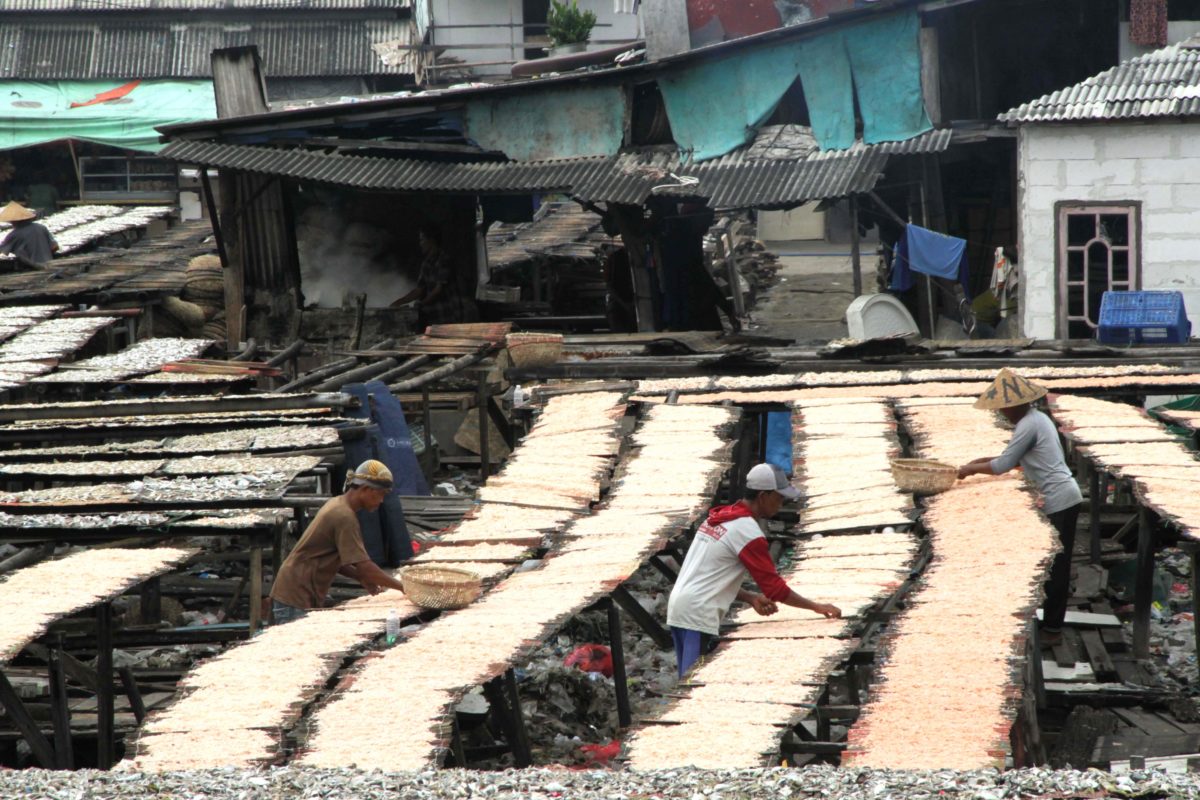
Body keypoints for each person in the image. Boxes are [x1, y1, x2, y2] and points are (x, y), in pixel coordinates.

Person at [666, 463, 842, 677]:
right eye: (779, 498)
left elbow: (707, 576)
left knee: (689, 675)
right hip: (698, 615)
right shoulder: (747, 531)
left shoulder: (719, 518)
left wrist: (749, 597)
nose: (781, 504)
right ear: (763, 496)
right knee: (692, 681)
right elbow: (775, 590)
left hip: (680, 607)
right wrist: (816, 607)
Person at [956, 368, 1083, 645]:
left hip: (1060, 499)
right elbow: (1014, 458)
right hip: (1063, 496)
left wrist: (969, 470)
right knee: (1052, 564)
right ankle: (1048, 622)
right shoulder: (1036, 419)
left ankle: (1052, 630)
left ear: (1015, 404)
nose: (1001, 412)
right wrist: (980, 461)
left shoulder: (1028, 424)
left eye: (1004, 407)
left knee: (1056, 566)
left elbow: (1003, 465)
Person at [269, 459, 408, 624]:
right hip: (296, 595)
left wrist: (360, 577)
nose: (382, 501)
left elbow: (333, 559)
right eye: (381, 494)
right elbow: (365, 566)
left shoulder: (337, 504)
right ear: (365, 489)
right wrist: (404, 587)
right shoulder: (344, 516)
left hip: (296, 591)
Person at [392, 226, 476, 327]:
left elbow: (438, 289)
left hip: (449, 316)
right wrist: (399, 302)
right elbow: (419, 290)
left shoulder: (444, 260)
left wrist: (421, 304)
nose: (420, 244)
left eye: (422, 240)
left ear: (431, 240)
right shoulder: (426, 263)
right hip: (435, 318)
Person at [0, 201, 58, 267]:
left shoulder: (14, 235)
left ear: (14, 221)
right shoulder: (41, 227)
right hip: (50, 264)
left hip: (34, 267)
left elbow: (2, 252)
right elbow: (54, 247)